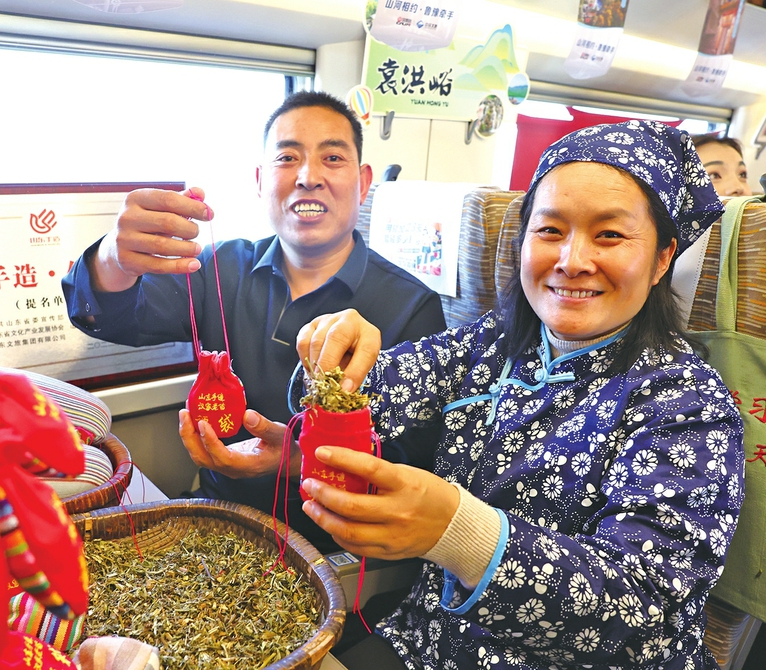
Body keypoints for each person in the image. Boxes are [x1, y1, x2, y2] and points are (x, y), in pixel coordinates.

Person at [291, 120, 744, 668]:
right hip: (432, 641)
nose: (572, 260)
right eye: (550, 230)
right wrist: (332, 364)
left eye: (609, 235)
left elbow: (641, 604)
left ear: (663, 258)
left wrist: (457, 532)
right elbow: (377, 390)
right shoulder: (494, 340)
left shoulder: (690, 404)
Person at [61, 90, 446, 552]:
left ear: (363, 183)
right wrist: (114, 259)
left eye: (332, 157)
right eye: (288, 157)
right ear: (261, 181)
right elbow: (111, 316)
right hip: (217, 520)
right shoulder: (222, 268)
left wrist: (297, 458)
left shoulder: (412, 305)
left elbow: (417, 464)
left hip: (333, 546)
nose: (308, 177)